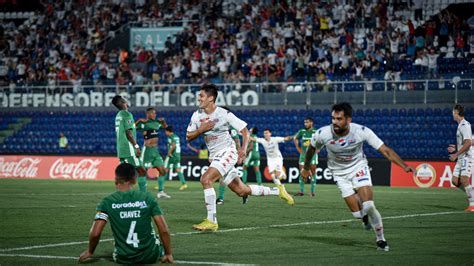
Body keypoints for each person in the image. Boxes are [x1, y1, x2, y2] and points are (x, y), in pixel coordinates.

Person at [301, 103, 415, 251]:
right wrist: (305, 168)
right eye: (333, 118)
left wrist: (404, 166)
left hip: (358, 168)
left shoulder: (361, 131)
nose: (335, 122)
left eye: (339, 119)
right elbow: (311, 149)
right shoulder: (323, 134)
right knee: (357, 214)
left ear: (348, 120)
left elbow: (385, 150)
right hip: (339, 174)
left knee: (368, 205)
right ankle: (363, 217)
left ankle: (380, 239)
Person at [186, 84, 294, 232]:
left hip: (228, 153)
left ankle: (211, 221)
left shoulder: (224, 114)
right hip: (214, 156)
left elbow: (244, 131)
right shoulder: (196, 115)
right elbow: (188, 137)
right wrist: (201, 130)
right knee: (241, 191)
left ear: (211, 98)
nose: (199, 98)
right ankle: (278, 190)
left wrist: (242, 150)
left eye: (202, 96)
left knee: (206, 179)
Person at [78, 163, 174, 264]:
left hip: (122, 257)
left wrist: (90, 251)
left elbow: (95, 233)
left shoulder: (107, 202)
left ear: (116, 179)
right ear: (134, 180)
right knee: (156, 238)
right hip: (150, 256)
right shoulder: (147, 198)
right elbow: (163, 230)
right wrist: (168, 254)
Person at [112, 95, 148, 192]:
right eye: (124, 99)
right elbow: (129, 133)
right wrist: (136, 146)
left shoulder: (119, 115)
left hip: (121, 148)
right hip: (129, 148)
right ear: (122, 102)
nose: (126, 100)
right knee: (142, 171)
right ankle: (143, 197)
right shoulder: (127, 114)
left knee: (125, 175)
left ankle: (123, 195)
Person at [135, 108, 170, 199]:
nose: (154, 115)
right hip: (147, 151)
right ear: (148, 114)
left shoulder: (157, 123)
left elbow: (166, 128)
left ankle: (161, 192)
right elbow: (132, 128)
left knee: (162, 171)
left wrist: (163, 122)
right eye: (152, 113)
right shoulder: (144, 124)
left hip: (155, 151)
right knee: (142, 172)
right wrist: (139, 121)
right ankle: (142, 194)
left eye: (155, 113)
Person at [447, 104, 473, 212]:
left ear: (457, 113)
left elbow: (468, 143)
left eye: (453, 112)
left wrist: (455, 154)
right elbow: (464, 143)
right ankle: (472, 193)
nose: (453, 115)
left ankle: (472, 204)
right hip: (461, 157)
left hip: (467, 156)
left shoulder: (465, 125)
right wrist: (456, 147)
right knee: (454, 181)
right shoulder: (460, 125)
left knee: (464, 179)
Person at [216, 126, 241, 205]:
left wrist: (238, 154)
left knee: (222, 177)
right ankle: (244, 192)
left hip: (229, 155)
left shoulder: (231, 129)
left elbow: (237, 140)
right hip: (221, 155)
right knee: (233, 178)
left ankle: (221, 198)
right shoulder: (218, 128)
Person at [294, 117, 318, 196]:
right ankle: (301, 191)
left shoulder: (316, 131)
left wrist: (318, 148)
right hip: (303, 155)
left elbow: (322, 140)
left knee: (313, 173)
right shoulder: (302, 131)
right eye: (304, 122)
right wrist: (298, 148)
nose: (305, 124)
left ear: (311, 123)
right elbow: (295, 138)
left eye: (307, 122)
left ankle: (312, 191)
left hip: (313, 155)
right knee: (302, 172)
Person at [164, 126, 188, 191]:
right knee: (178, 169)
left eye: (165, 131)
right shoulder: (176, 136)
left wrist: (169, 152)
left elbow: (173, 145)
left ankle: (161, 184)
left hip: (171, 155)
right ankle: (184, 184)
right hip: (177, 155)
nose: (165, 133)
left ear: (168, 131)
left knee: (165, 169)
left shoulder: (171, 137)